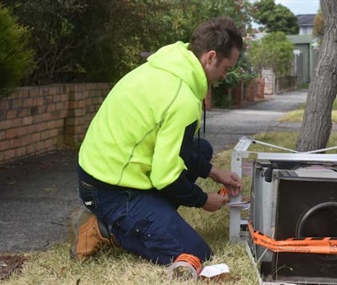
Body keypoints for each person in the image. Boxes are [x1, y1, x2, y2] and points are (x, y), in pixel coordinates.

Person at [70, 16, 244, 267]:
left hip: (109, 171)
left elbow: (176, 152)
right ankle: (103, 228)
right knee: (196, 255)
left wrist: (213, 172)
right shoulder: (181, 97)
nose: (225, 76)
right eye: (226, 68)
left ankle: (150, 217)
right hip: (108, 189)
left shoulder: (171, 64)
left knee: (201, 149)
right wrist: (203, 199)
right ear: (210, 57)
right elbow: (167, 177)